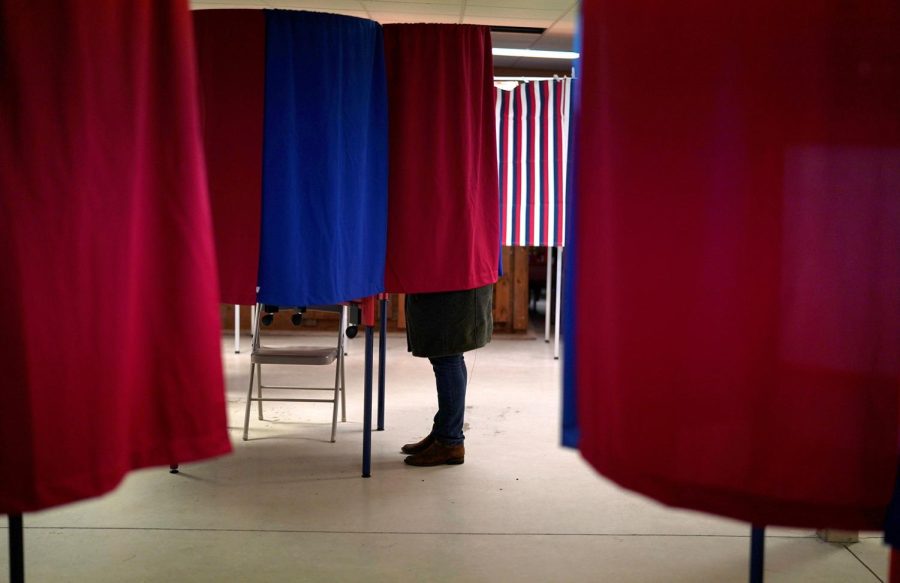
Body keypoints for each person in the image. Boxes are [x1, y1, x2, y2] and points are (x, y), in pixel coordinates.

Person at [401, 283, 494, 466]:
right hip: (454, 279)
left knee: (446, 355)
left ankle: (449, 441)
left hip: (452, 281)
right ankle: (444, 432)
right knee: (450, 355)